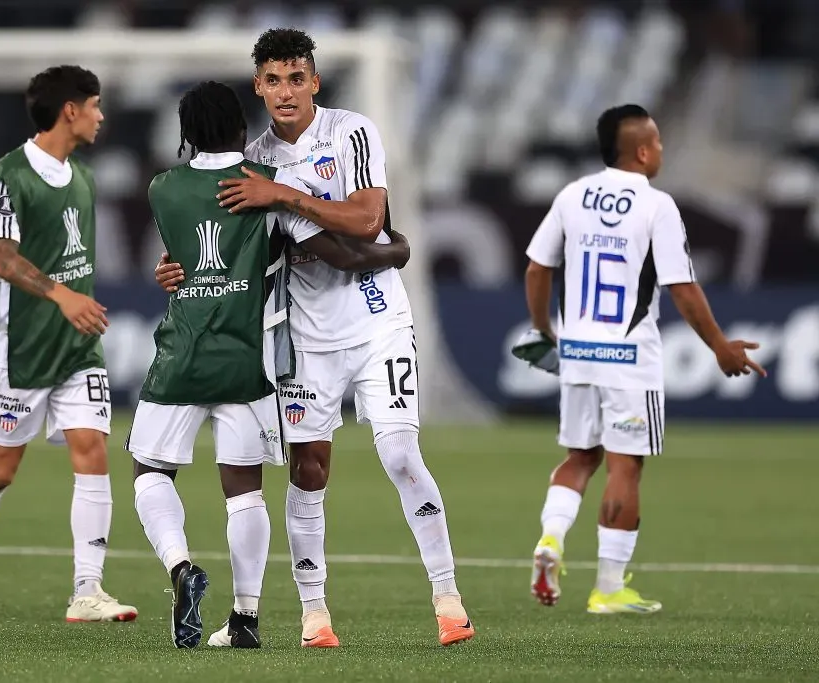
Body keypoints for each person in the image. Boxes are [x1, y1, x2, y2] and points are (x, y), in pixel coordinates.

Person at [154, 29, 473, 648]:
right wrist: (177, 269)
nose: (286, 92)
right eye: (273, 80)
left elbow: (368, 219)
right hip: (304, 335)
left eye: (296, 78)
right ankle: (315, 614)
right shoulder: (252, 160)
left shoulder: (352, 132)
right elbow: (225, 250)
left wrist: (284, 194)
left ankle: (447, 596)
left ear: (315, 81)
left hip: (378, 321)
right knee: (307, 469)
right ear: (258, 86)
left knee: (400, 453)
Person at [129, 81, 411, 650]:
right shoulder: (269, 187)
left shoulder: (162, 189)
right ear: (242, 129)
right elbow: (342, 256)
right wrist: (396, 251)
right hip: (247, 358)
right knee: (245, 493)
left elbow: (180, 258)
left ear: (185, 135)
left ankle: (181, 566)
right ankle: (246, 618)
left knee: (150, 470)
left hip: (182, 352)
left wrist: (172, 271)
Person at [518, 104, 766, 613]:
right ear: (644, 151)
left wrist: (544, 330)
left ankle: (551, 537)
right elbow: (682, 287)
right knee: (624, 466)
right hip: (628, 355)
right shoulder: (657, 206)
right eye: (658, 142)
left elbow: (537, 269)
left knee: (580, 457)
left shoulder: (572, 195)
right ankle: (608, 588)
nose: (661, 150)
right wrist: (719, 345)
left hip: (578, 350)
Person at [0, 65, 137, 623]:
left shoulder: (83, 178)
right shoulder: (9, 176)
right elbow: (1, 258)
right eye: (95, 105)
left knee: (92, 447)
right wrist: (62, 295)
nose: (101, 116)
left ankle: (87, 590)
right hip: (19, 346)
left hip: (76, 344)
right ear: (70, 110)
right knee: (0, 468)